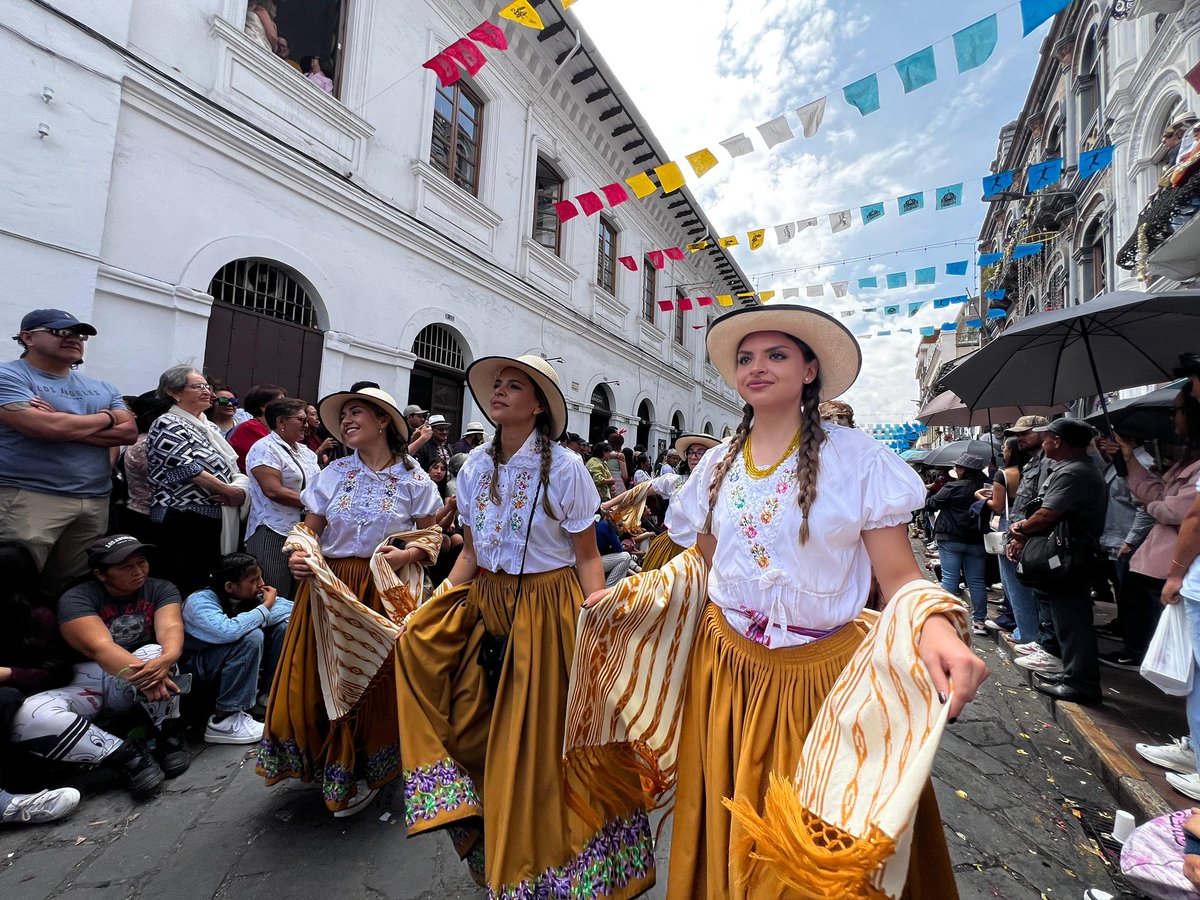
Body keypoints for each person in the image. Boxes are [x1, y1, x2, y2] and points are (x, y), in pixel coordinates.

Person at [572, 305, 985, 898]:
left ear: (810, 370)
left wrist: (935, 627)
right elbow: (707, 563)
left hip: (820, 682)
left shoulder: (857, 460)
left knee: (810, 858)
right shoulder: (716, 465)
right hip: (725, 673)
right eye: (746, 358)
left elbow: (899, 577)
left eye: (776, 355)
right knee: (728, 832)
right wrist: (635, 594)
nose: (756, 367)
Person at [394, 354, 651, 897]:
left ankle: (554, 865)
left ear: (538, 406)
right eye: (497, 385)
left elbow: (586, 556)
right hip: (486, 603)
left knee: (539, 744)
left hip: (548, 611)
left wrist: (596, 615)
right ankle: (485, 829)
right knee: (467, 718)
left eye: (514, 386)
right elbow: (470, 553)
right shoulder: (474, 467)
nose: (500, 392)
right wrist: (438, 601)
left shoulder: (565, 468)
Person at [259, 386, 441, 817]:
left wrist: (406, 555)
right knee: (320, 676)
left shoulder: (414, 479)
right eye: (343, 415)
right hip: (329, 589)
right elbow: (309, 529)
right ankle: (324, 761)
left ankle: (362, 768)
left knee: (369, 682)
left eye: (356, 412)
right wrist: (301, 554)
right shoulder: (334, 472)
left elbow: (432, 535)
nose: (345, 421)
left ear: (383, 420)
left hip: (382, 590)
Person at [10, 535, 189, 799]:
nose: (138, 571)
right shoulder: (76, 597)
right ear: (100, 574)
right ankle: (125, 755)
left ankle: (168, 732)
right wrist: (149, 674)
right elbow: (100, 648)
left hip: (142, 680)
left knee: (154, 652)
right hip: (89, 679)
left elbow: (171, 627)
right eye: (126, 566)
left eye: (141, 562)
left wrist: (167, 659)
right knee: (28, 715)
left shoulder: (160, 588)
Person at [0, 309, 136, 593]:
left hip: (94, 500)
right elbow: (44, 428)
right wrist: (108, 417)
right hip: (30, 496)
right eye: (60, 332)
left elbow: (129, 433)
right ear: (28, 337)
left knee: (73, 586)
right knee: (16, 583)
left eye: (80, 334)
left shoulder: (102, 387)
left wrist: (62, 423)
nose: (74, 338)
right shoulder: (8, 375)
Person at [1099, 386, 1200, 669]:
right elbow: (1157, 496)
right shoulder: (1185, 460)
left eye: (1177, 411)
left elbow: (1177, 512)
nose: (1173, 418)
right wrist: (1128, 460)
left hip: (1178, 570)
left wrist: (1153, 508)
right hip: (1158, 563)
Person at [1008, 418, 1108, 704]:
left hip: (1072, 555)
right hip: (1069, 552)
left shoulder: (1074, 472)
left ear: (1058, 441)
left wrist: (1021, 529)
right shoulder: (1070, 468)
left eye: (1048, 438)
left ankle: (1082, 684)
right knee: (1065, 619)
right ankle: (1072, 674)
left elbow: (1047, 514)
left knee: (1073, 621)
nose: (1045, 442)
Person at [145, 367, 248, 596]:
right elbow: (185, 468)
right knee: (180, 580)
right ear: (174, 392)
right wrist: (227, 490)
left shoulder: (207, 426)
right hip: (181, 516)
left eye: (207, 386)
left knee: (204, 580)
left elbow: (229, 465)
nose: (207, 392)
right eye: (198, 386)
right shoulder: (168, 422)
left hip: (212, 516)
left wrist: (240, 490)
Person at [0, 541, 80, 826]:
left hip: (31, 698)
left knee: (6, 697)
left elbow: (58, 673)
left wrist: (9, 673)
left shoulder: (40, 616)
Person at [180, 553, 291, 744]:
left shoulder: (252, 596)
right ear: (229, 587)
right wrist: (265, 608)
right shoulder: (199, 602)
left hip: (228, 667)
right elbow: (227, 631)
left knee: (283, 627)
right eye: (253, 580)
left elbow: (292, 609)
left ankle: (267, 696)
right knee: (252, 637)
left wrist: (259, 612)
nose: (261, 584)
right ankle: (225, 719)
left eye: (260, 577)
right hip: (199, 670)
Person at [245, 398, 320, 597]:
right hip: (273, 530)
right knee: (275, 592)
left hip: (304, 531)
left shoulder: (305, 452)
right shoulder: (265, 448)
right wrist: (314, 503)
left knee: (301, 594)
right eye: (301, 420)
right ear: (280, 422)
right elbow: (273, 490)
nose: (306, 425)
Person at [978, 437, 1040, 644]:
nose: (1002, 452)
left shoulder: (1004, 474)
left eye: (1004, 448)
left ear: (1012, 451)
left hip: (1010, 525)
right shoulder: (1033, 470)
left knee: (1013, 583)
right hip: (1033, 525)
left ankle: (1025, 632)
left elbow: (997, 506)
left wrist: (980, 497)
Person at [926, 451, 991, 636]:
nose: (955, 469)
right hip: (976, 539)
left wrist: (931, 490)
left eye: (958, 466)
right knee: (976, 581)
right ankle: (979, 622)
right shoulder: (986, 488)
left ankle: (946, 619)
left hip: (951, 537)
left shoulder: (952, 487)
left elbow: (931, 504)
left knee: (949, 579)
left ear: (964, 469)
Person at [227, 384, 286, 473]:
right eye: (281, 401)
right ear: (264, 407)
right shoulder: (250, 427)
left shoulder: (271, 427)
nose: (286, 405)